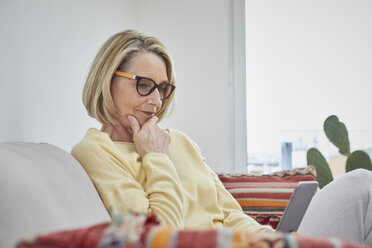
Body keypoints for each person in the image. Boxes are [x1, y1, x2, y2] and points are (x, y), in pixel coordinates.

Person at [71, 29, 372, 244]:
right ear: (107, 80)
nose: (156, 101)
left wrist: (273, 240)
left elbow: (230, 214)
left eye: (162, 89)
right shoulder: (96, 152)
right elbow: (159, 234)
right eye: (144, 85)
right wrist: (154, 158)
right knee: (361, 185)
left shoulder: (180, 142)